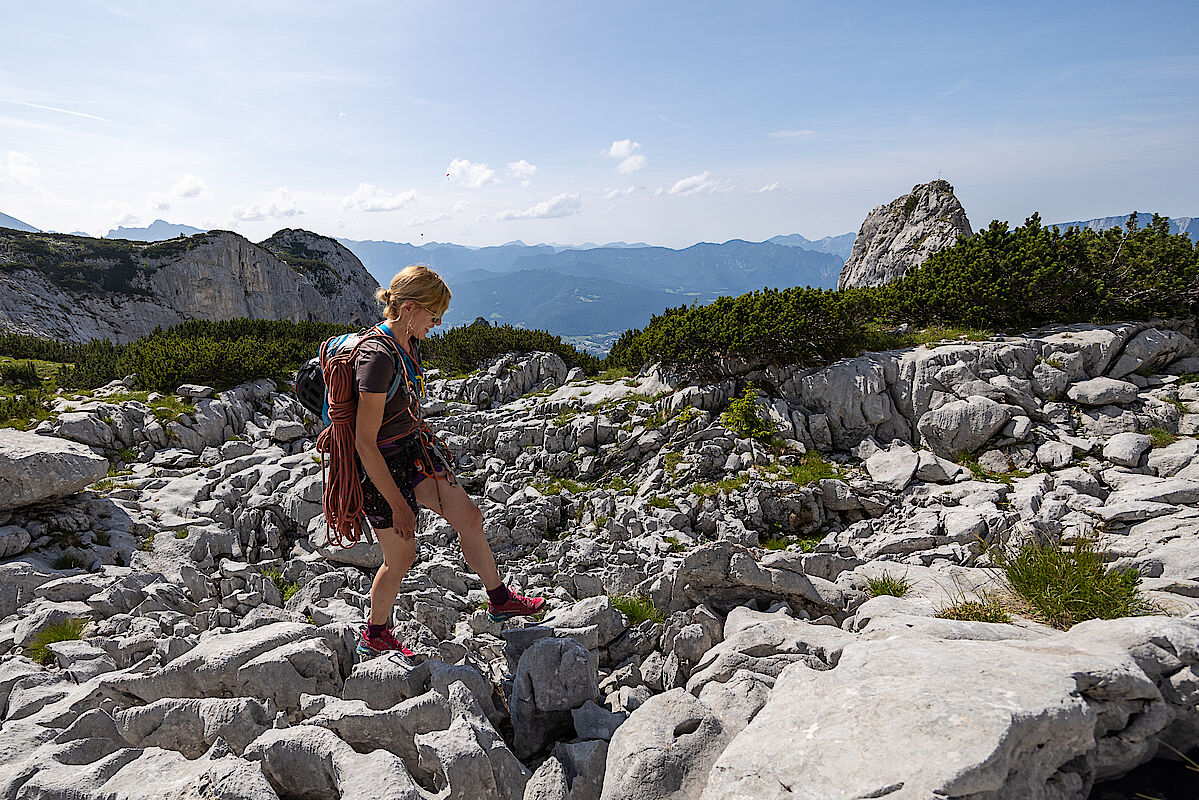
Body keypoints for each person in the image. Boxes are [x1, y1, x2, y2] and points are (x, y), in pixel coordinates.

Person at [353, 264, 544, 659]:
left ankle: (499, 599)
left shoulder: (407, 341)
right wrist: (399, 505)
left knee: (469, 517)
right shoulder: (377, 359)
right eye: (433, 315)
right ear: (408, 308)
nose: (438, 324)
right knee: (401, 556)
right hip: (378, 471)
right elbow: (364, 443)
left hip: (412, 452)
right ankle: (375, 631)